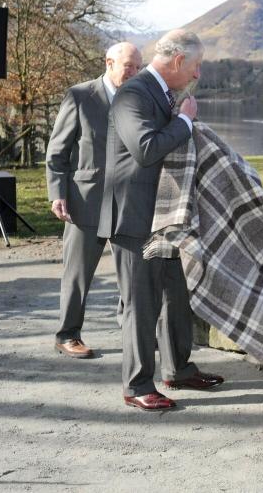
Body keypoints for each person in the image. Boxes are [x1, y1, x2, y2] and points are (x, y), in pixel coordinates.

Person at [98, 29, 223, 411]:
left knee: (176, 295)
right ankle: (137, 386)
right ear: (179, 61)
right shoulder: (133, 93)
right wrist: (184, 122)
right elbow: (146, 148)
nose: (198, 75)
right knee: (142, 303)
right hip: (134, 219)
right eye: (197, 66)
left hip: (162, 217)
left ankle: (178, 369)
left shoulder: (162, 93)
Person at [46, 42, 142, 359]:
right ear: (109, 62)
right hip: (84, 201)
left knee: (132, 274)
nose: (134, 72)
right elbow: (57, 153)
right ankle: (67, 334)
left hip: (128, 202)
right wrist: (57, 193)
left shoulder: (139, 100)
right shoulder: (79, 96)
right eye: (129, 65)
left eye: (138, 67)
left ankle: (132, 333)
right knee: (77, 274)